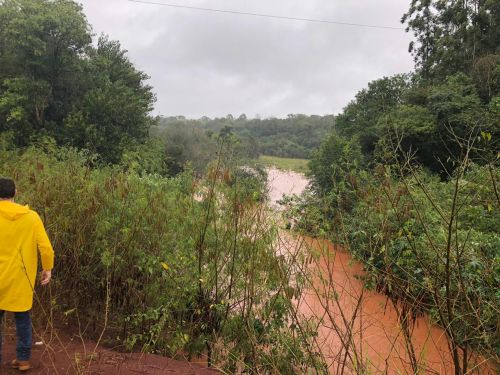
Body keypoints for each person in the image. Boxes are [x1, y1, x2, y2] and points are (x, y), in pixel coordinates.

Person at [0, 178, 54, 371]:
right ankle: (23, 359)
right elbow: (46, 248)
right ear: (15, 192)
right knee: (22, 318)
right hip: (21, 279)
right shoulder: (31, 217)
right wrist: (47, 269)